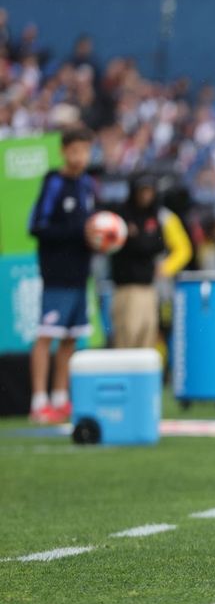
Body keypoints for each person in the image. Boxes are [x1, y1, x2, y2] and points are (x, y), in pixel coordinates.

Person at [27, 127, 98, 424]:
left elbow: (91, 226)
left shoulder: (88, 184)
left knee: (70, 338)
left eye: (85, 150)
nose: (80, 157)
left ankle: (59, 397)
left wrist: (99, 239)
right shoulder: (54, 182)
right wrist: (79, 233)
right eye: (75, 150)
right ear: (64, 151)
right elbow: (37, 226)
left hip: (81, 274)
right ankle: (38, 401)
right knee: (47, 335)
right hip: (56, 274)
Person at [110, 173, 192, 348]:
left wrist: (167, 267)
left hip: (153, 285)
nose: (145, 195)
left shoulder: (162, 217)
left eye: (149, 191)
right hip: (126, 285)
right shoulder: (121, 216)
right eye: (142, 191)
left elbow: (183, 248)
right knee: (128, 336)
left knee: (154, 333)